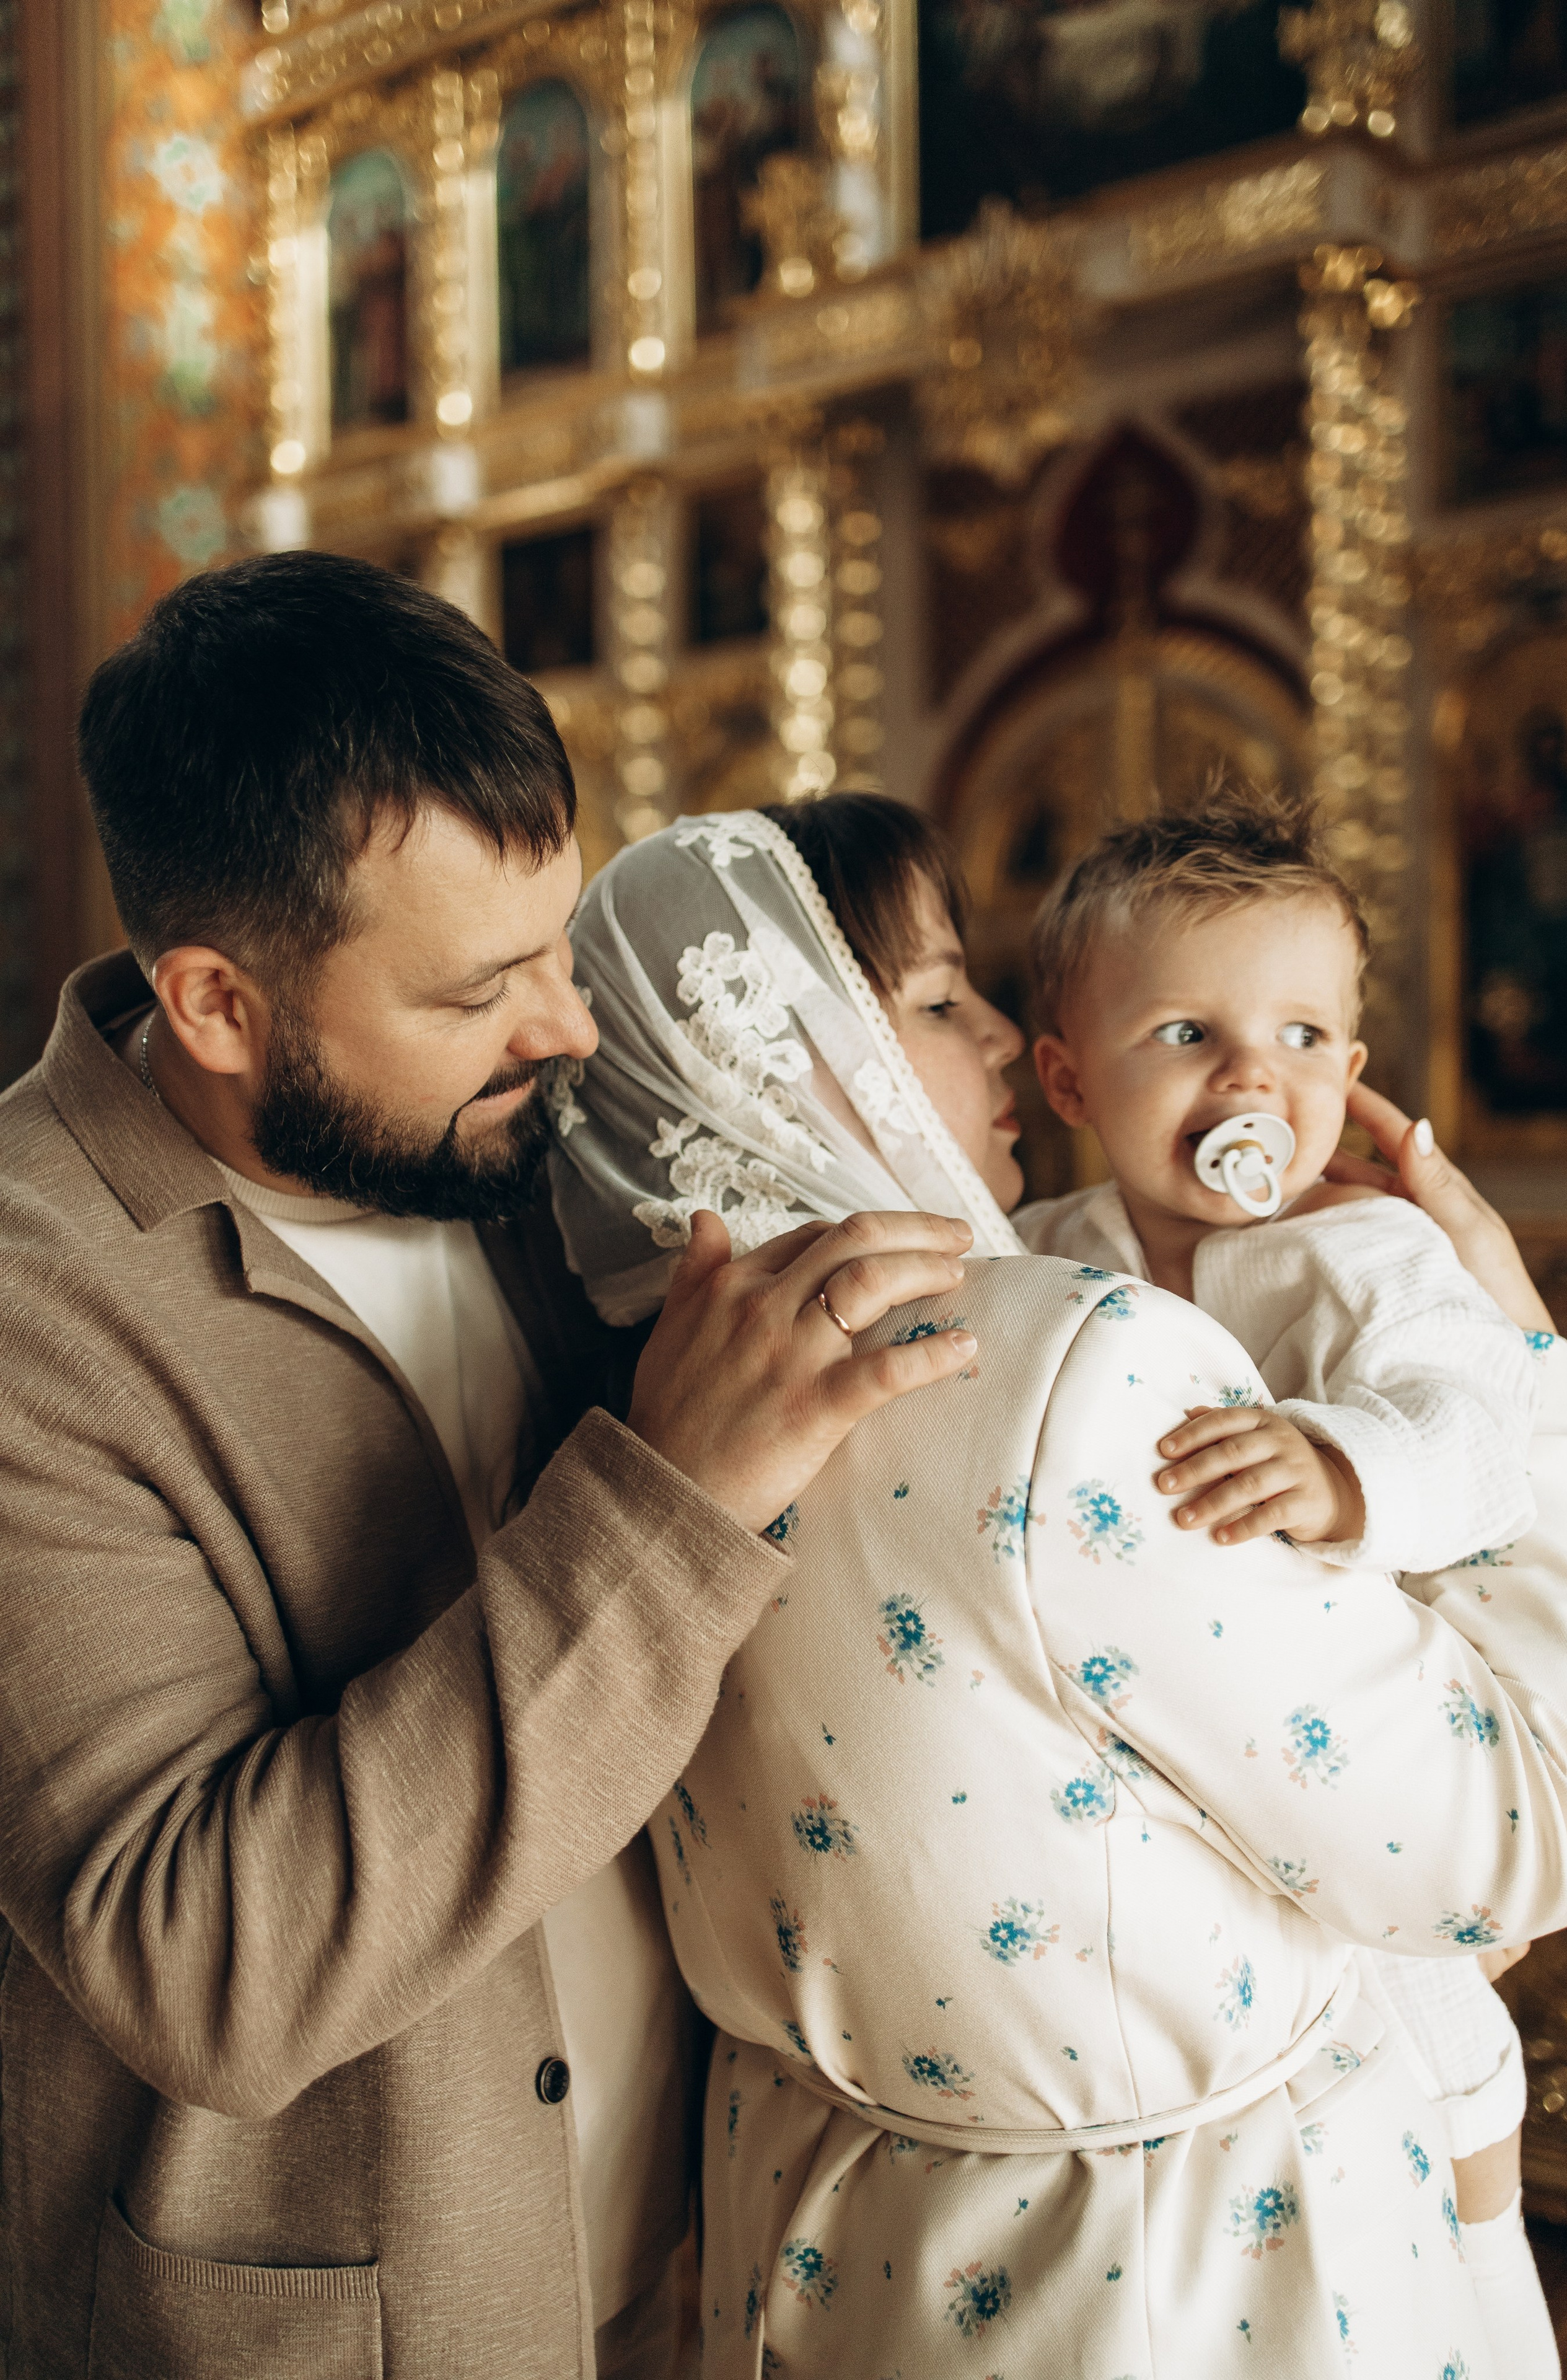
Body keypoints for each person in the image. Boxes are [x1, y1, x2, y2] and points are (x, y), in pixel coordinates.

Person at [0, 557, 980, 2380]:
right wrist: (667, 1506)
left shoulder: (539, 1143)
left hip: (720, 2267)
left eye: (564, 941)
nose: (575, 1029)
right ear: (217, 1004)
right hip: (348, 2333)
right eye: (482, 987)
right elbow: (212, 1960)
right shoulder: (29, 1313)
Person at [548, 800, 1567, 2379]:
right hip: (1166, 2278)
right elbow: (1506, 1847)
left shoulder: (650, 1380)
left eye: (1306, 1032)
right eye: (939, 997)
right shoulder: (1071, 1357)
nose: (998, 1041)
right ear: (800, 1047)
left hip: (823, 2247)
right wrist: (1538, 1370)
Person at [1016, 785, 1567, 2374]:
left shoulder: (1374, 1260)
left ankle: (1473, 2292)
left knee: (1431, 2051)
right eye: (1186, 1034)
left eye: (1301, 1035)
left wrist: (1347, 1471)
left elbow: (1483, 1437)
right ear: (1068, 1076)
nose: (1251, 1076)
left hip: (1368, 1754)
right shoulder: (1045, 1250)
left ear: (1349, 1069)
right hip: (1169, 1781)